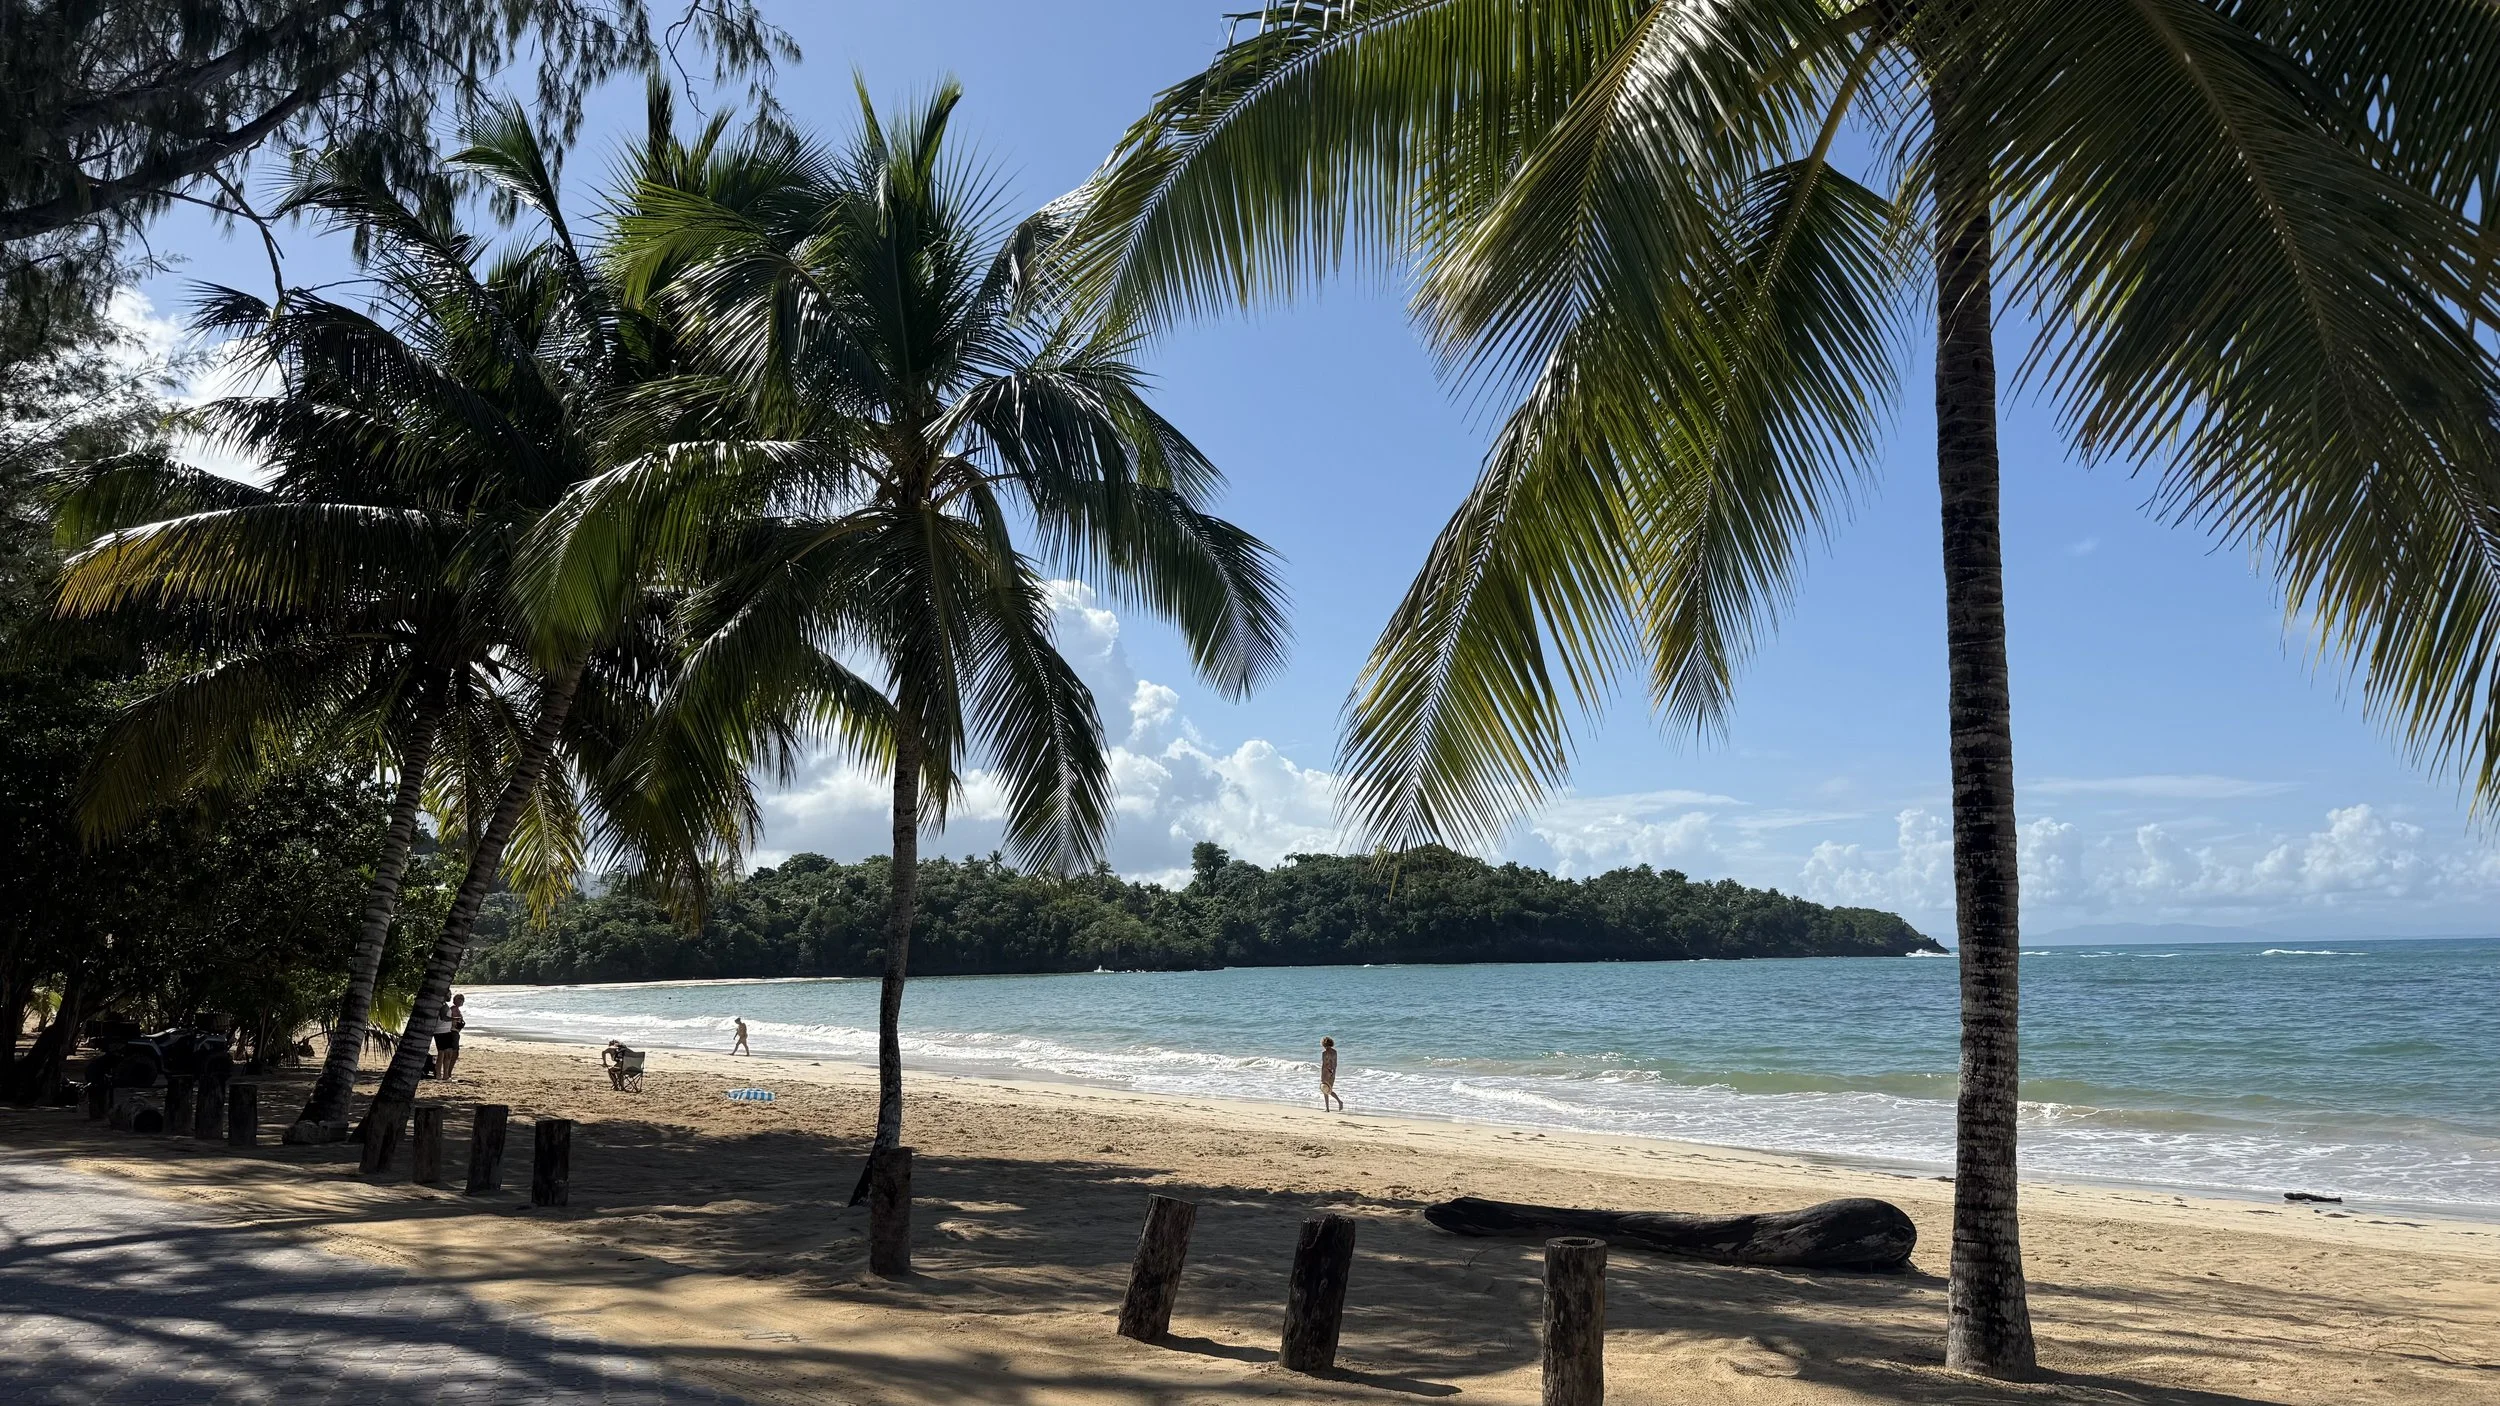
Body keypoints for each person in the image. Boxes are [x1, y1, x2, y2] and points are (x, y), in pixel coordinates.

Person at [433, 994, 466, 1080]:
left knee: (443, 1054)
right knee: (447, 1054)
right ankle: (445, 1075)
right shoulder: (445, 1007)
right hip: (445, 1031)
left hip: (445, 1031)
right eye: (449, 994)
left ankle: (442, 1075)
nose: (450, 996)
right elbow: (444, 1017)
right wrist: (455, 1019)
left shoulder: (445, 1006)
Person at [1320, 1036, 1343, 1111]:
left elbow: (1324, 1065)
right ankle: (1336, 1103)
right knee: (1328, 1090)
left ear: (1324, 1044)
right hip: (1331, 1072)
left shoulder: (1324, 1053)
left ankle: (1334, 1105)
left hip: (1326, 1072)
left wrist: (1322, 1074)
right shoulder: (1334, 1052)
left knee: (1326, 1090)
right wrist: (1334, 1072)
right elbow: (1335, 1064)